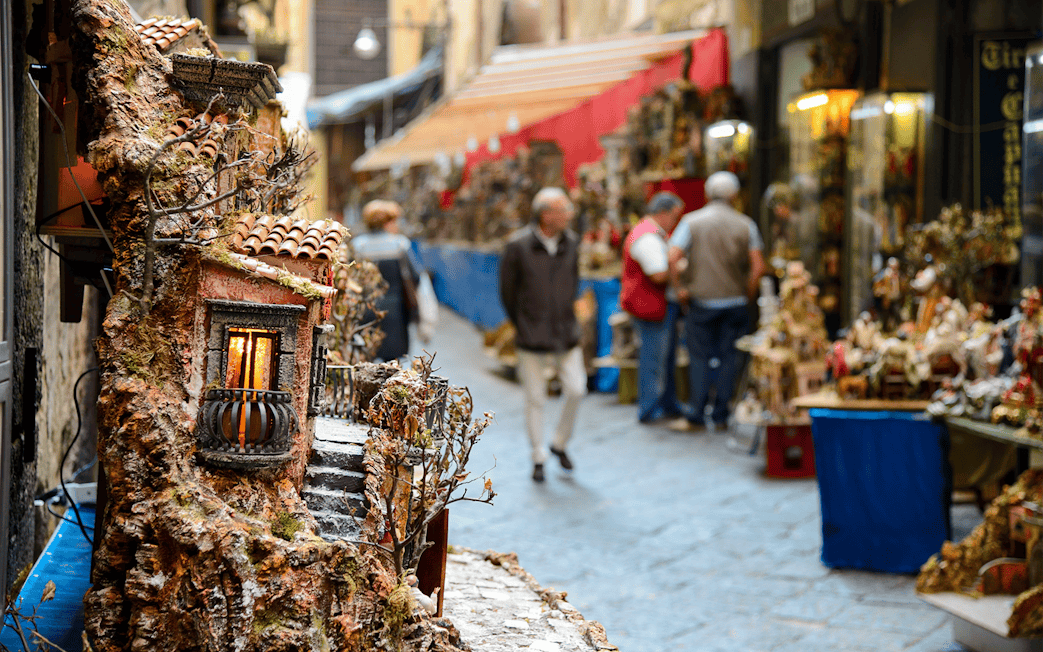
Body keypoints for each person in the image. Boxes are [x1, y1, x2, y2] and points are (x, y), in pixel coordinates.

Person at [499, 187, 586, 482]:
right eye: (564, 210)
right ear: (547, 215)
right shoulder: (518, 246)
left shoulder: (571, 243)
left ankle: (559, 442)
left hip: (565, 330)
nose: (569, 216)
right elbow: (507, 292)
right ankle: (538, 454)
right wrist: (522, 322)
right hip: (532, 332)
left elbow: (573, 281)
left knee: (577, 389)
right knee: (534, 397)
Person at [668, 172, 766, 432]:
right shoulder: (746, 225)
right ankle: (721, 414)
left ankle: (697, 414)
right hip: (734, 302)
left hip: (702, 301)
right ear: (734, 196)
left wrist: (681, 288)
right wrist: (747, 293)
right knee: (729, 358)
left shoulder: (691, 222)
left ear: (707, 194)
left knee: (699, 357)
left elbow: (673, 256)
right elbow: (758, 267)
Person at [620, 191, 686, 424]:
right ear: (663, 213)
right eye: (675, 216)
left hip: (653, 306)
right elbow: (658, 274)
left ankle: (665, 404)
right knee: (653, 360)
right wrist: (678, 268)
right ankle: (649, 408)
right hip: (650, 307)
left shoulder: (649, 233)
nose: (676, 221)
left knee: (661, 358)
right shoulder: (647, 237)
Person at [353, 199, 421, 362]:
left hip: (367, 310)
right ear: (388, 221)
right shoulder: (400, 244)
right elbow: (415, 277)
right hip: (395, 312)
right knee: (394, 364)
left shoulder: (358, 245)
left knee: (367, 359)